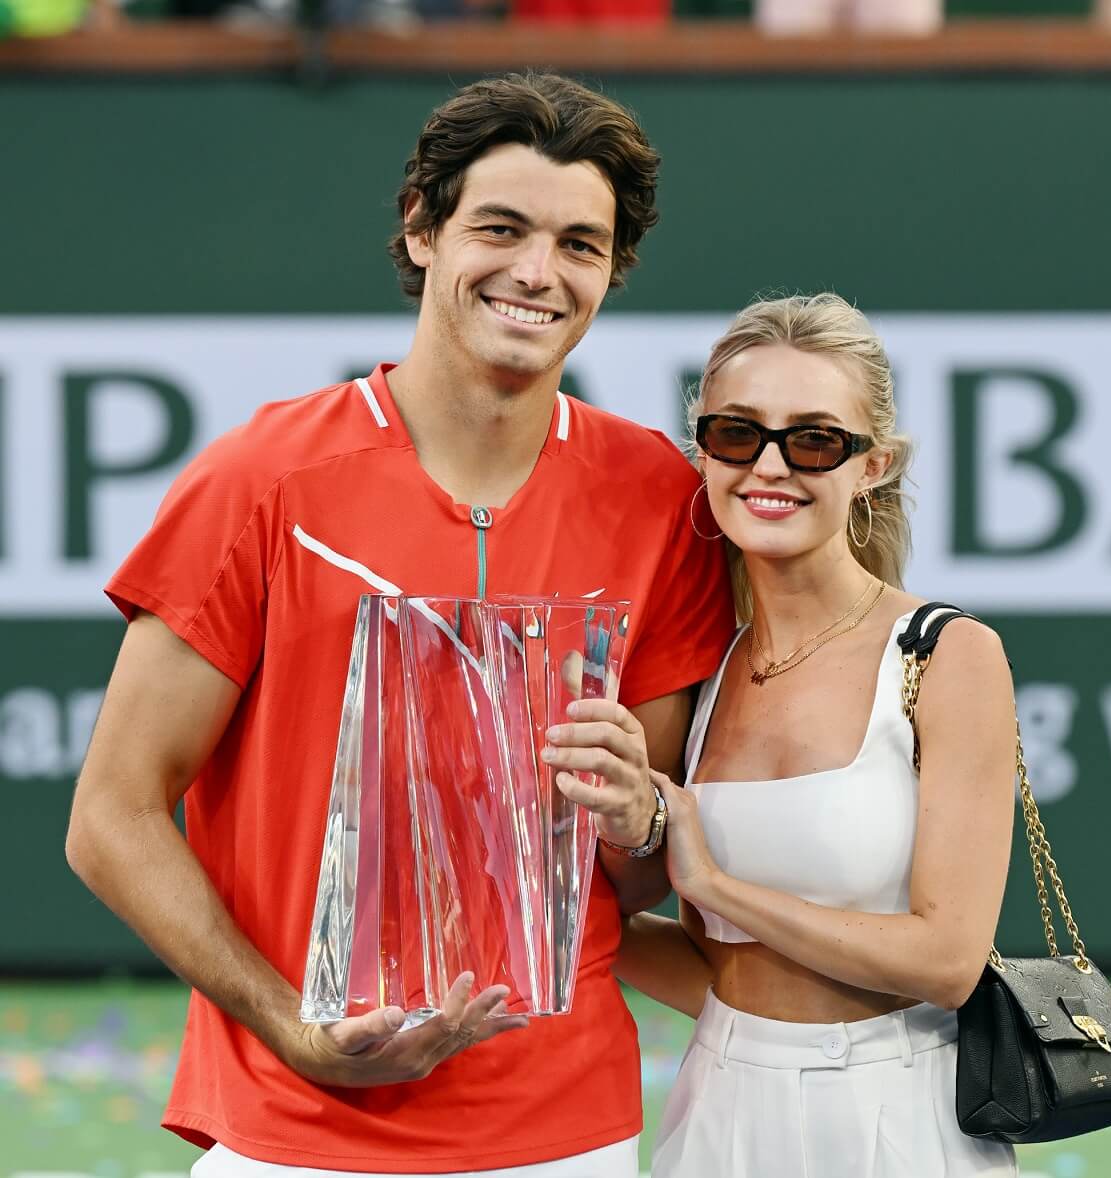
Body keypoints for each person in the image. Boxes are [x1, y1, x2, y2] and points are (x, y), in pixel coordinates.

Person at [65, 71, 733, 1177]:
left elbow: (632, 874)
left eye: (579, 243)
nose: (536, 271)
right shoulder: (262, 480)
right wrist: (293, 1026)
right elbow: (111, 815)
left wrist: (639, 817)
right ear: (422, 229)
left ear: (613, 269)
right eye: (501, 227)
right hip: (297, 1129)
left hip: (565, 1133)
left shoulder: (661, 498)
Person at [550, 293, 1018, 1176]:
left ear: (871, 464)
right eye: (737, 433)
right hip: (718, 1109)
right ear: (703, 450)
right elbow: (712, 969)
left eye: (812, 440)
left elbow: (949, 960)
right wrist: (525, 902)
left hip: (899, 1114)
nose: (770, 466)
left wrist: (712, 878)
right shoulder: (702, 669)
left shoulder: (947, 654)